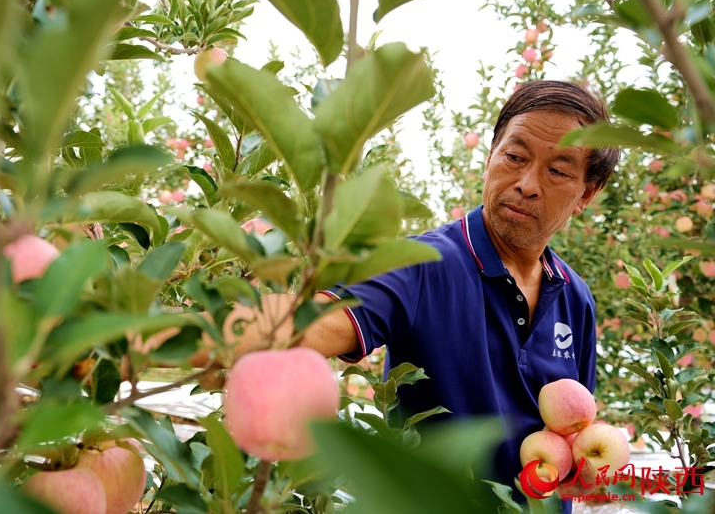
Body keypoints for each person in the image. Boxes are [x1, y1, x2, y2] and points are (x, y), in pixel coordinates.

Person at [192, 80, 620, 512]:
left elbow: (572, 432)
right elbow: (315, 320)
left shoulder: (574, 298)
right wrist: (175, 336)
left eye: (558, 171)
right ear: (491, 155)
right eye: (515, 156)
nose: (527, 184)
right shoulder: (425, 263)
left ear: (586, 194)